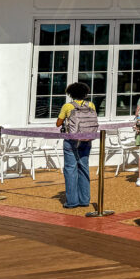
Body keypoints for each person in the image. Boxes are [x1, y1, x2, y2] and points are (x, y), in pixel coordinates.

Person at [56, 81, 99, 209]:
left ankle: (72, 201)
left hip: (71, 140)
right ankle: (84, 200)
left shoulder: (68, 106)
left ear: (71, 94)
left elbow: (58, 123)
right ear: (85, 93)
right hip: (87, 140)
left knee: (70, 169)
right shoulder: (91, 105)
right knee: (83, 167)